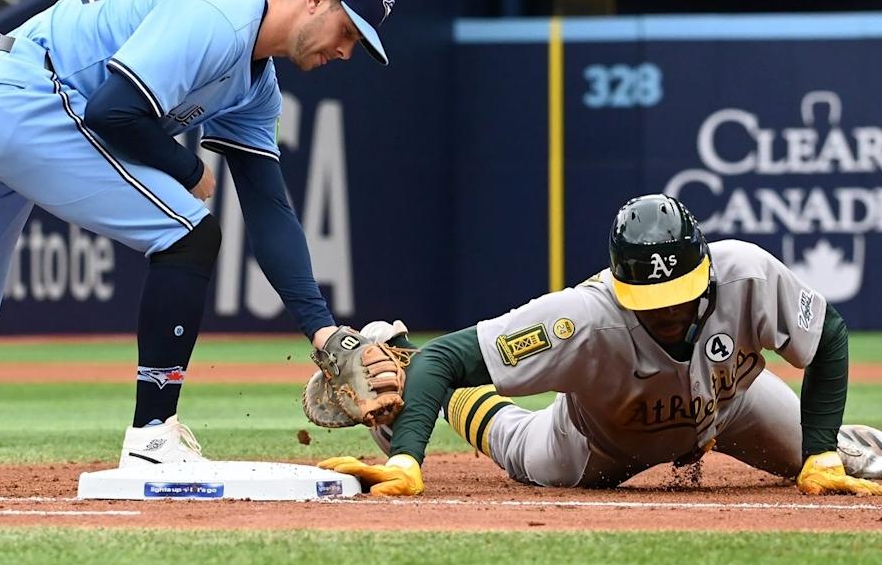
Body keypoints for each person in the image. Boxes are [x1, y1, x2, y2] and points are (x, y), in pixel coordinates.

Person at [0, 0, 397, 467]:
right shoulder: (220, 17)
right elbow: (113, 113)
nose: (346, 51)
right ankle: (152, 435)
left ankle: (153, 430)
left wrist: (322, 329)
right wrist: (188, 167)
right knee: (187, 235)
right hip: (13, 93)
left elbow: (269, 209)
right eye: (348, 32)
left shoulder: (256, 88)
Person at [320, 194, 882, 496]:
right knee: (513, 442)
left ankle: (847, 446)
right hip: (599, 444)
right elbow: (449, 357)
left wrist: (821, 452)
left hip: (730, 405)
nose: (667, 310)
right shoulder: (582, 319)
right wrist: (406, 459)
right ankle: (402, 357)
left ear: (707, 270)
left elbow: (828, 335)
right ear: (619, 284)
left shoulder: (750, 275)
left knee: (838, 460)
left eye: (680, 294)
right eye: (650, 299)